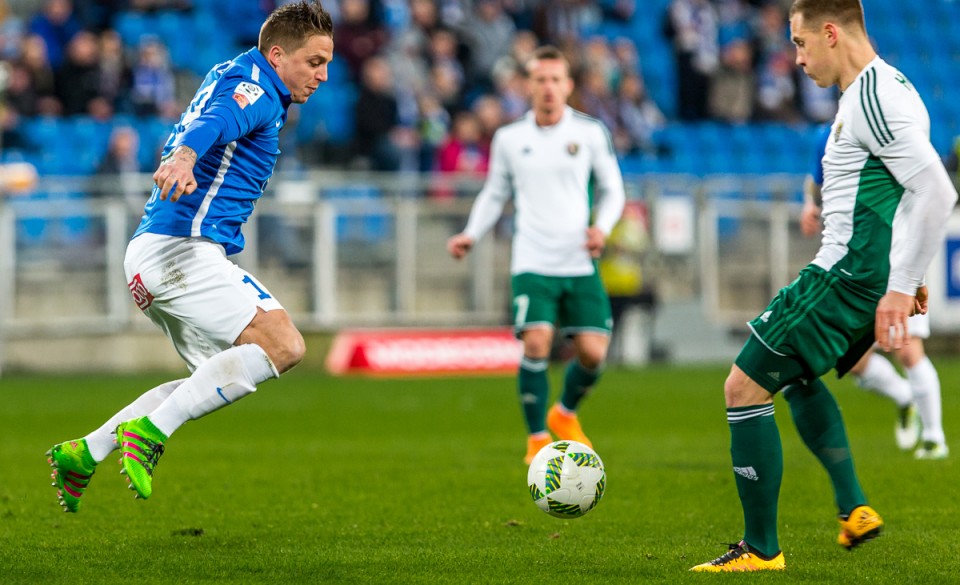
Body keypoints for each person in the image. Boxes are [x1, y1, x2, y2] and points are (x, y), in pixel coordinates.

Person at [692, 0, 959, 572]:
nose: (796, 57)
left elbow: (936, 191)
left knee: (741, 387)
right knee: (796, 378)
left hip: (843, 276)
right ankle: (853, 508)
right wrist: (904, 273)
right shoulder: (893, 88)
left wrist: (900, 283)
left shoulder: (871, 96)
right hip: (863, 274)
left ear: (831, 33)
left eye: (800, 42)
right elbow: (901, 193)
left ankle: (760, 550)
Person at [45, 0, 335, 512]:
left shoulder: (235, 72)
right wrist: (184, 156)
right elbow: (218, 121)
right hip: (183, 250)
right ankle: (150, 433)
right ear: (277, 54)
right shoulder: (256, 89)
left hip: (153, 254)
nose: (323, 75)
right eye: (314, 62)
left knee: (208, 380)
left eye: (327, 64)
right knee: (285, 345)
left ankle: (86, 451)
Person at [446, 45, 626, 465]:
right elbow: (495, 193)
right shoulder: (511, 139)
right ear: (528, 85)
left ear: (568, 85)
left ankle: (564, 413)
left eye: (555, 79)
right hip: (532, 260)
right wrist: (471, 233)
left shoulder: (590, 132)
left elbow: (613, 189)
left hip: (578, 259)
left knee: (594, 353)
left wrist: (601, 228)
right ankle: (536, 438)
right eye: (540, 79)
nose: (548, 87)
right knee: (537, 342)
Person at [801, 125, 949, 459]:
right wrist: (809, 204)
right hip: (855, 263)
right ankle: (904, 396)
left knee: (907, 349)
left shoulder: (895, 126)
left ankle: (934, 438)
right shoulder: (830, 134)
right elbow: (816, 180)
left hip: (899, 257)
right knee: (850, 358)